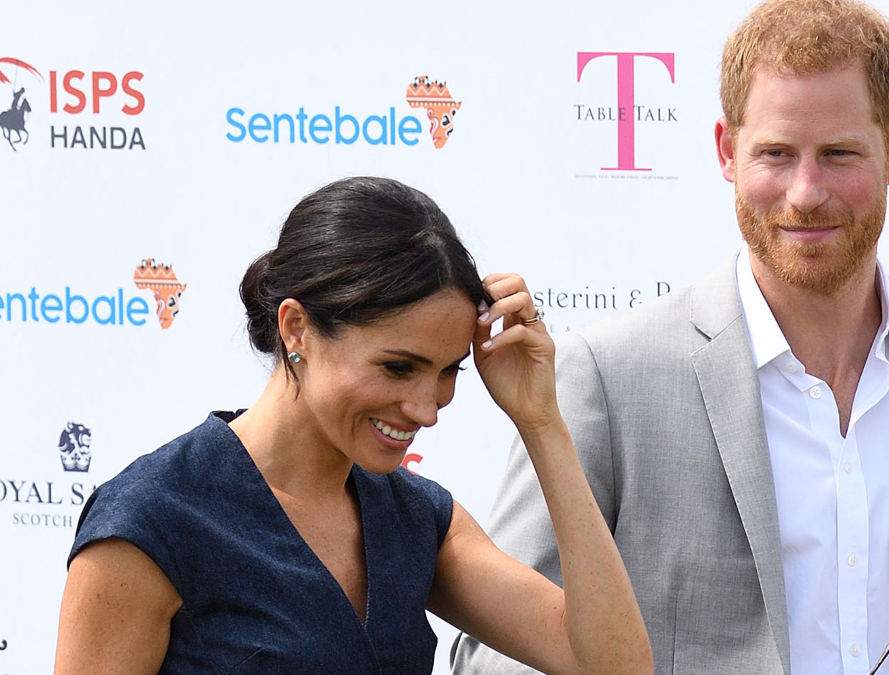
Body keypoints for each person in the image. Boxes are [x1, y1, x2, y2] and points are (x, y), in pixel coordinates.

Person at [452, 1, 889, 673]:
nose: (805, 192)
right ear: (726, 151)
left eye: (837, 154)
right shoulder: (606, 376)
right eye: (776, 153)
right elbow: (495, 650)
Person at [53, 177, 654, 675]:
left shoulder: (417, 520)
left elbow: (612, 666)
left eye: (449, 371)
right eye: (398, 367)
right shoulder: (151, 522)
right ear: (296, 330)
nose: (426, 407)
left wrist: (541, 422)